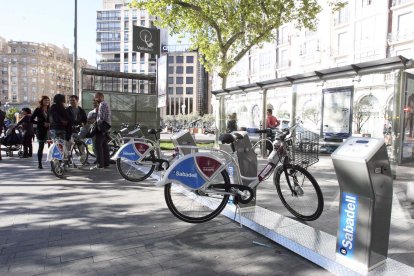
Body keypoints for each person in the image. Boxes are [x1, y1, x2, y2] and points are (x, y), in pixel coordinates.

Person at [91, 92, 111, 170]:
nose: (95, 99)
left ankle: (99, 165)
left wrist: (97, 124)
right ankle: (106, 163)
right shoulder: (105, 104)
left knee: (97, 145)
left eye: (96, 97)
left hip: (102, 125)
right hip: (107, 125)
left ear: (100, 97)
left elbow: (101, 117)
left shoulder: (102, 104)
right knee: (104, 145)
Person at [30, 96, 51, 169]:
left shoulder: (50, 109)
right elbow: (31, 120)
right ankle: (39, 163)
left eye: (48, 100)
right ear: (42, 101)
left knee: (51, 147)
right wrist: (41, 123)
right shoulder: (38, 109)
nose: (47, 101)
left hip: (50, 130)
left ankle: (52, 164)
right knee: (41, 147)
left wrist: (50, 123)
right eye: (45, 100)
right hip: (41, 130)